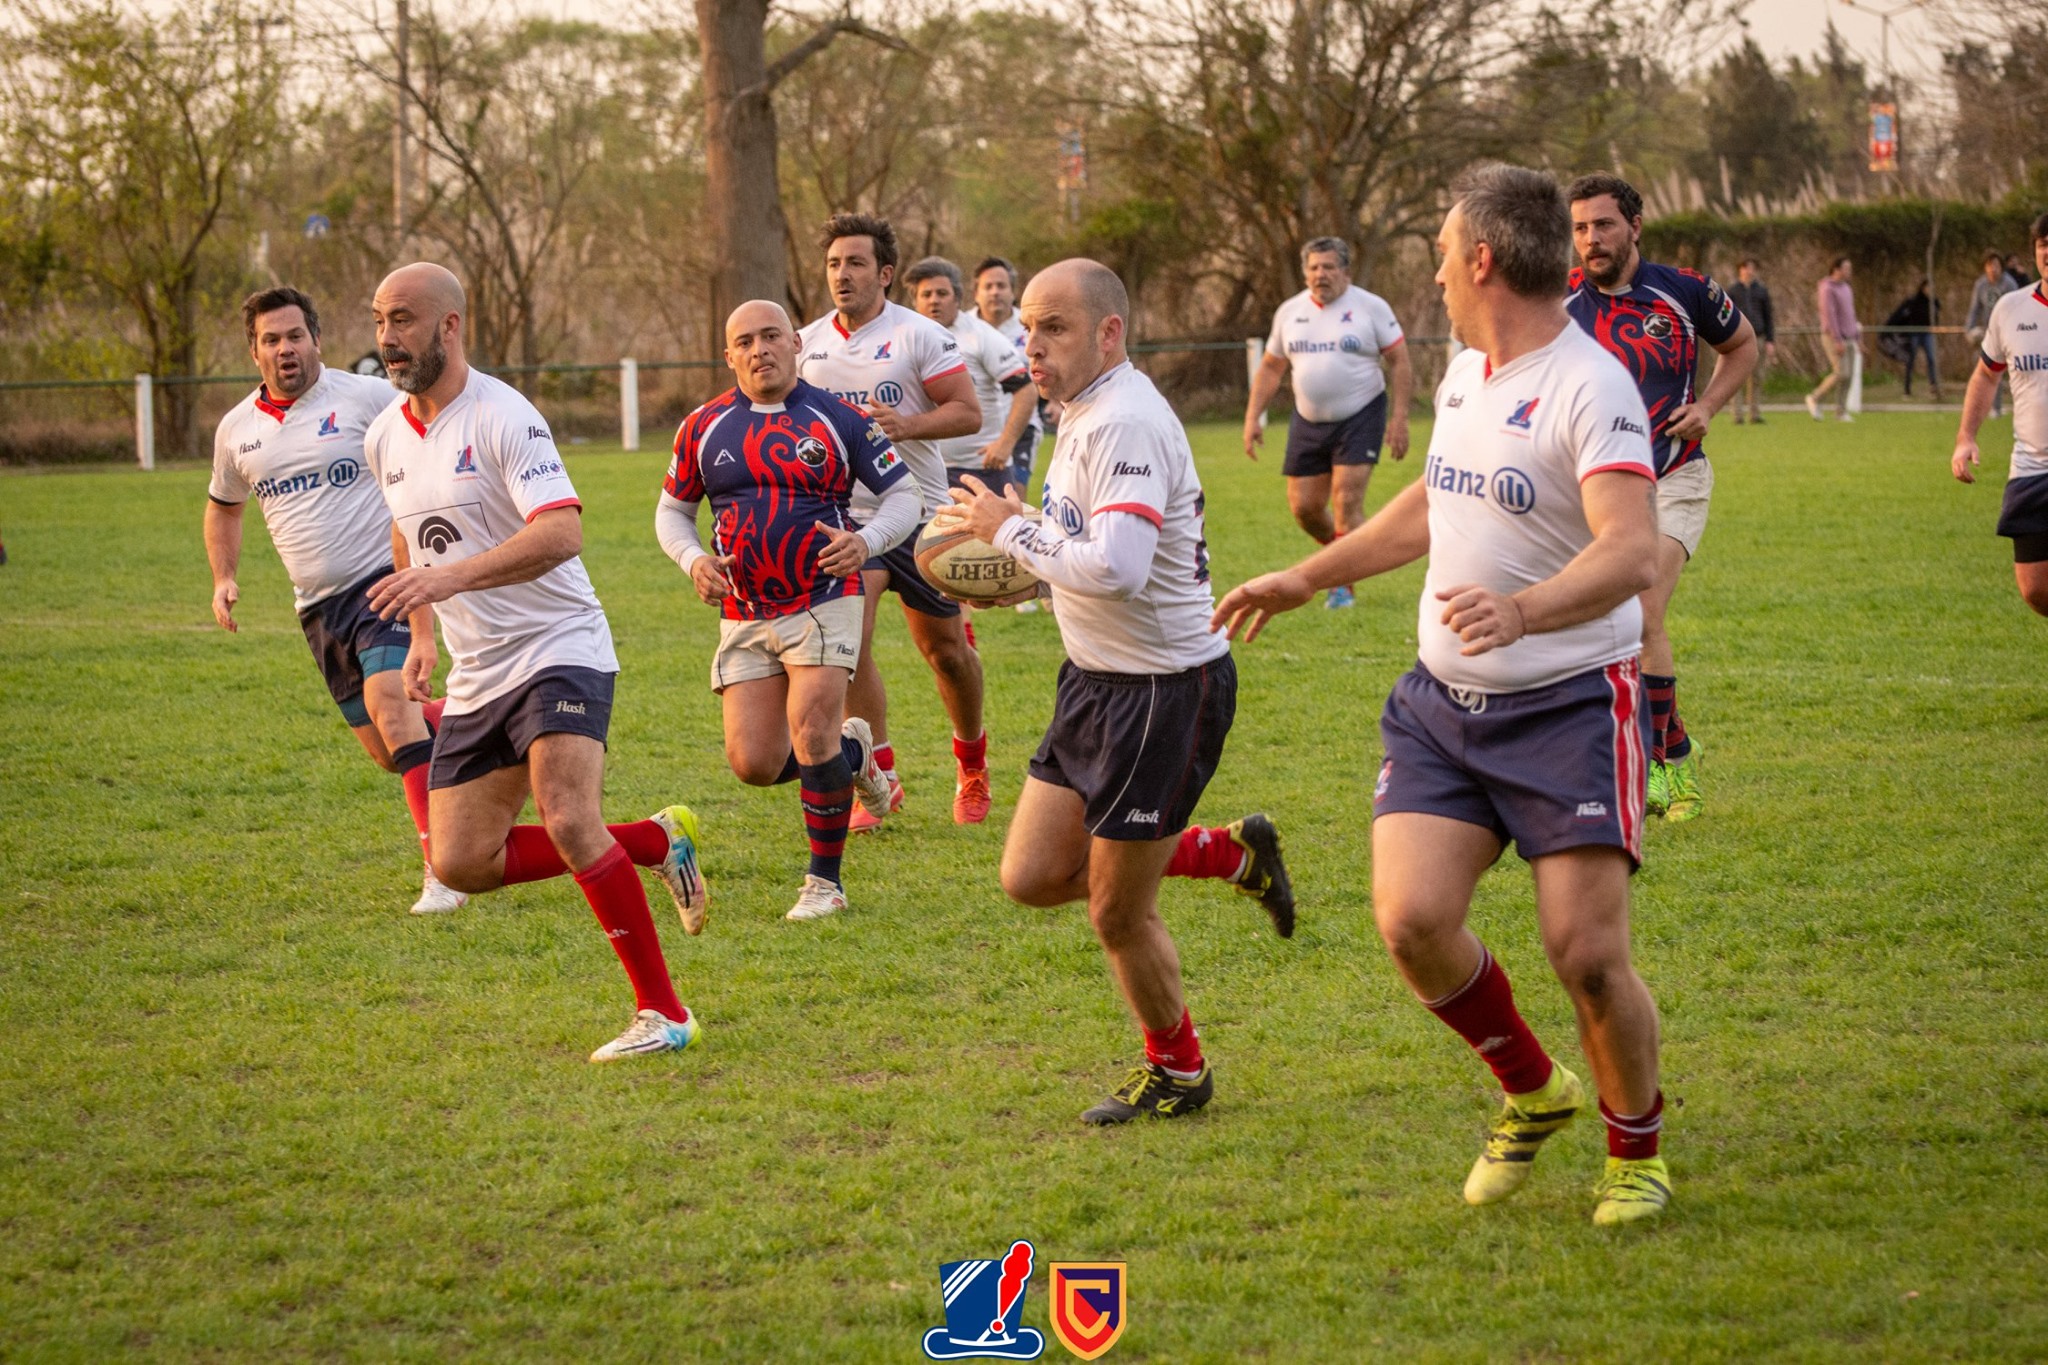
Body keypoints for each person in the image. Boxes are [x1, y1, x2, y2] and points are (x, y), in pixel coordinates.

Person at [1213, 163, 1672, 1226]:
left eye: (1435, 246)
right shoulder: (1468, 370)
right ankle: (1533, 1088)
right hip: (1440, 705)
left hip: (1563, 706)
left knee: (1588, 958)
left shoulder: (1587, 386)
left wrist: (1524, 611)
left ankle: (1635, 1153)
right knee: (1412, 919)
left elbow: (1631, 554)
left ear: (1479, 259)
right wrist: (1305, 575)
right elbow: (1435, 500)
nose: (1427, 267)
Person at [946, 258, 1295, 1125]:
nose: (1032, 344)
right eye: (1027, 327)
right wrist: (1011, 565)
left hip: (1165, 693)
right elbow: (1080, 553)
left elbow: (1119, 568)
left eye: (1054, 327)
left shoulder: (1126, 421)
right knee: (1030, 874)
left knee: (1114, 911)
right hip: (1095, 684)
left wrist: (1010, 528)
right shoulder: (1082, 412)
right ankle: (1228, 854)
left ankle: (1178, 1070)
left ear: (1110, 332)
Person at [362, 262, 707, 1063]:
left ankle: (665, 1012)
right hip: (478, 671)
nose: (388, 337)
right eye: (381, 319)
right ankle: (655, 843)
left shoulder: (504, 416)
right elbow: (407, 534)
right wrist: (422, 633)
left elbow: (561, 532)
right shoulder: (386, 433)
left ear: (451, 325)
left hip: (560, 647)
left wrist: (446, 577)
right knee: (462, 860)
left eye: (405, 319)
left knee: (567, 814)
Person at [204, 285, 465, 915]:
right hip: (317, 610)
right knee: (387, 748)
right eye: (272, 340)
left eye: (296, 335)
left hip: (386, 579)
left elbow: (430, 436)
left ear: (316, 339)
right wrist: (224, 577)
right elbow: (223, 509)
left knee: (392, 707)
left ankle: (443, 874)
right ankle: (488, 719)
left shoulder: (367, 398)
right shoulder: (237, 431)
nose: (286, 349)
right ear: (255, 350)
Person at [656, 300, 917, 921]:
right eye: (744, 341)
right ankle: (853, 759)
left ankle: (823, 884)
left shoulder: (840, 418)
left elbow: (903, 496)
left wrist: (867, 542)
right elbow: (671, 513)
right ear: (729, 356)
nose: (759, 349)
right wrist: (694, 560)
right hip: (745, 610)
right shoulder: (703, 425)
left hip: (825, 597)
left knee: (810, 730)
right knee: (754, 763)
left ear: (796, 343)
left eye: (771, 336)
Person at [1565, 173, 1757, 824]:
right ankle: (1672, 738)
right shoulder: (1557, 302)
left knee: (1643, 612)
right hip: (1598, 489)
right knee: (1609, 628)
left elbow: (1743, 346)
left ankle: (1669, 769)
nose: (1592, 239)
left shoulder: (1685, 290)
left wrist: (1706, 405)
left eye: (1605, 225)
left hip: (1674, 476)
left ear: (1635, 226)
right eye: (1581, 228)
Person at [796, 214, 990, 828]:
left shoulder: (918, 336)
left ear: (883, 273)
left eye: (855, 263)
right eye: (833, 264)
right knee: (851, 644)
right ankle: (879, 773)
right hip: (849, 520)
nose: (842, 275)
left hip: (922, 513)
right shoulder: (806, 343)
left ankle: (972, 763)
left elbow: (966, 413)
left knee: (947, 653)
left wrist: (908, 424)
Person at [1243, 237, 1413, 609]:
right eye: (1314, 268)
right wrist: (1253, 415)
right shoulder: (1289, 312)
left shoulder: (1370, 307)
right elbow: (1271, 366)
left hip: (1361, 413)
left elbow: (1400, 360)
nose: (1321, 274)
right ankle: (1342, 557)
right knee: (1303, 508)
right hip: (1308, 420)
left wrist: (1399, 419)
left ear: (1346, 272)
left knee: (1346, 500)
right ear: (1305, 273)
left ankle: (1341, 584)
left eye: (1329, 267)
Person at [1952, 212, 2048, 618]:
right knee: (2034, 588)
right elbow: (1986, 377)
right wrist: (1965, 437)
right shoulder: (2010, 309)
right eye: (2044, 245)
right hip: (2029, 466)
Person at [904, 256, 1036, 496]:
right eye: (926, 294)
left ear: (957, 298)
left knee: (996, 534)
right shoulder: (904, 339)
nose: (934, 301)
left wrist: (1005, 445)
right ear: (915, 302)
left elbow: (1026, 390)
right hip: (924, 470)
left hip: (980, 471)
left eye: (942, 293)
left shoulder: (981, 336)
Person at [1807, 256, 1861, 423]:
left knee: (1849, 376)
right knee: (1840, 372)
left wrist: (1857, 337)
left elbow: (1850, 314)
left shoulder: (1846, 288)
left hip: (1849, 336)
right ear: (1836, 270)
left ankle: (1840, 411)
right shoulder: (1827, 288)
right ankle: (1815, 398)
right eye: (1846, 268)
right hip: (1833, 337)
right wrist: (1837, 339)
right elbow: (1829, 316)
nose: (1849, 272)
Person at [1966, 251, 2016, 419]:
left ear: (2001, 267)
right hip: (1987, 333)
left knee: (2009, 371)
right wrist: (1970, 329)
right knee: (1984, 370)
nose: (1992, 269)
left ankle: (2002, 408)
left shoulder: (2009, 284)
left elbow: (2015, 310)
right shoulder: (1980, 285)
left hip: (2006, 333)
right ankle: (1984, 409)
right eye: (1989, 265)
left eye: (1995, 265)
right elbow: (1974, 309)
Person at [1726, 258, 1776, 423]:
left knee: (1757, 377)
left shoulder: (1761, 291)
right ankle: (1737, 414)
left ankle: (1754, 413)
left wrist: (1770, 340)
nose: (1749, 271)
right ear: (1740, 270)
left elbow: (1769, 316)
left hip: (1758, 337)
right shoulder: (1733, 291)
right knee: (1737, 377)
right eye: (1746, 268)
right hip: (1738, 339)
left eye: (1752, 268)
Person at [1882, 280, 1943, 400]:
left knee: (1931, 358)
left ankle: (1933, 385)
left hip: (1927, 334)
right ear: (1923, 287)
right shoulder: (1913, 301)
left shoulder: (1933, 302)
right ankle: (1907, 388)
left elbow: (1935, 316)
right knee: (1910, 360)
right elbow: (1900, 315)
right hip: (1914, 333)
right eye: (1929, 287)